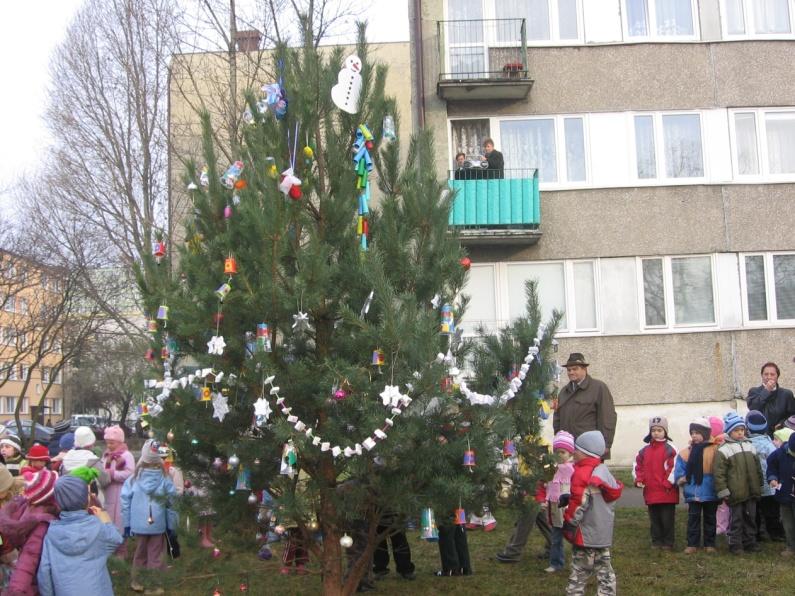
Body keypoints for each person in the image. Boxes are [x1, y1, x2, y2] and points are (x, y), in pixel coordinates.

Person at [36, 475, 123, 596]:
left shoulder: (51, 533)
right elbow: (116, 539)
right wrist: (106, 520)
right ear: (86, 500)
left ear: (59, 503)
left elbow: (44, 573)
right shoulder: (97, 526)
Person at [562, 430, 623, 596]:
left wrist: (568, 522)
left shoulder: (582, 473)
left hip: (585, 533)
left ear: (586, 453)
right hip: (601, 533)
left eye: (577, 449)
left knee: (579, 571)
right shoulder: (602, 471)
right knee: (604, 570)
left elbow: (579, 502)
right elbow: (595, 499)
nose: (573, 452)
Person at [121, 440, 178, 594]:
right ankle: (154, 584)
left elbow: (125, 501)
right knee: (156, 553)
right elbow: (172, 503)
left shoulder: (133, 479)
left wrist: (126, 524)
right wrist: (171, 525)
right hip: (158, 524)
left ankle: (137, 581)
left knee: (140, 552)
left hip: (138, 524)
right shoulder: (166, 479)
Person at [0, 469, 59, 595]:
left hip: (14, 555)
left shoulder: (21, 502)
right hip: (13, 558)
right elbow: (29, 557)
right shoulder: (41, 521)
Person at [713, 411, 764, 554]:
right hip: (735, 492)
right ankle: (735, 544)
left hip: (751, 490)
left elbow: (757, 467)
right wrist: (723, 490)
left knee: (751, 517)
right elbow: (719, 473)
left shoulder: (750, 446)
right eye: (736, 430)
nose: (740, 433)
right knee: (736, 519)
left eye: (742, 430)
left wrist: (759, 483)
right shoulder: (724, 450)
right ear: (729, 432)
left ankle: (750, 542)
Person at [553, 353, 618, 459]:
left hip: (589, 449)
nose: (571, 372)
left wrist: (606, 444)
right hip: (567, 450)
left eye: (575, 369)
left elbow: (608, 417)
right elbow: (557, 418)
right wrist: (558, 439)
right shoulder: (564, 391)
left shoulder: (598, 388)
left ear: (584, 369)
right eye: (569, 370)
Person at [633, 416, 679, 550]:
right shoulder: (644, 450)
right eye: (653, 430)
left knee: (667, 519)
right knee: (655, 519)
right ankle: (656, 541)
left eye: (659, 430)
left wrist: (668, 483)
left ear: (665, 431)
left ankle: (668, 542)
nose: (656, 433)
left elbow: (674, 467)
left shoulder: (671, 449)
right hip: (651, 491)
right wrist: (639, 479)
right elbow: (638, 466)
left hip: (667, 492)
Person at [674, 417, 719, 553]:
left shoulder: (715, 450)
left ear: (705, 433)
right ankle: (692, 543)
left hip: (710, 489)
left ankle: (709, 544)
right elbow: (679, 468)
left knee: (710, 518)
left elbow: (721, 467)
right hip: (693, 489)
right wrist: (681, 478)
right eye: (692, 432)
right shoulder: (686, 452)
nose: (694, 435)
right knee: (693, 518)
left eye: (697, 432)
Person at [537, 431, 575, 573]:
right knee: (555, 539)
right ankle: (556, 563)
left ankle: (582, 560)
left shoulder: (573, 470)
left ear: (570, 454)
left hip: (569, 511)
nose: (559, 455)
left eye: (563, 452)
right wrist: (542, 500)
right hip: (554, 510)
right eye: (557, 452)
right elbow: (541, 486)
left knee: (574, 537)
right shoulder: (549, 470)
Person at [745, 410, 784, 541]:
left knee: (754, 512)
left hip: (753, 485)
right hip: (770, 486)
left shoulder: (747, 445)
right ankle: (775, 533)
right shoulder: (770, 445)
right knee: (772, 512)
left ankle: (757, 534)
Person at [98, 425, 134, 556]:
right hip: (108, 493)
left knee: (121, 525)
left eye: (112, 442)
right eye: (107, 442)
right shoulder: (106, 455)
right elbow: (102, 470)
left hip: (121, 494)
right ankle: (109, 556)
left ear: (119, 442)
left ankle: (121, 556)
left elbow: (130, 473)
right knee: (108, 524)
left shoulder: (127, 456)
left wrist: (112, 474)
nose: (109, 445)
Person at [766, 433, 795, 557]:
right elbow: (771, 467)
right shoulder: (779, 454)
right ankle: (791, 546)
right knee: (788, 523)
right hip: (785, 494)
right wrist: (772, 478)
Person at [746, 362, 795, 435]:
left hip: (781, 435)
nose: (769, 377)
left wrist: (782, 423)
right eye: (766, 374)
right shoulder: (754, 391)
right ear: (762, 376)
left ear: (777, 376)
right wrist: (766, 391)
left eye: (772, 374)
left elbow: (792, 415)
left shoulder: (786, 394)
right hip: (760, 435)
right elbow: (753, 408)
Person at [372, 512, 415, 581]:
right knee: (378, 543)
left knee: (400, 541)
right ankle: (379, 569)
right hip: (377, 514)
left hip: (396, 514)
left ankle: (405, 569)